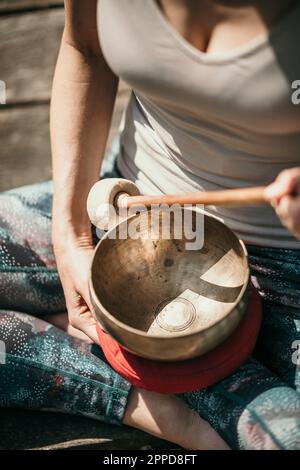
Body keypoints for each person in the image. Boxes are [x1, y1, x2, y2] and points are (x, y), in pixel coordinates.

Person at [1, 0, 300, 450]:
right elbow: (86, 48)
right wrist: (71, 235)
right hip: (126, 209)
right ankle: (156, 402)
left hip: (285, 267)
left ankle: (180, 377)